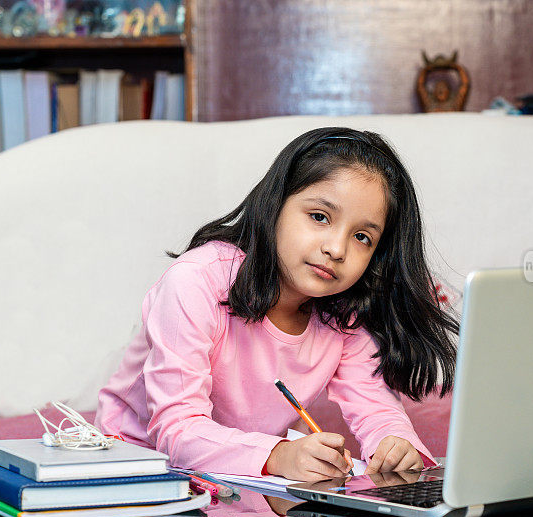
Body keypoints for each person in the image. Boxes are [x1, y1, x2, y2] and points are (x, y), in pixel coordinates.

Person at [96, 126, 458, 482]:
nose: (336, 249)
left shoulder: (342, 312)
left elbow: (375, 405)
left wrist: (394, 444)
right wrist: (277, 454)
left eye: (362, 237)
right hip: (137, 470)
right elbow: (175, 430)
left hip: (237, 476)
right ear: (276, 204)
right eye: (319, 217)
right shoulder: (196, 280)